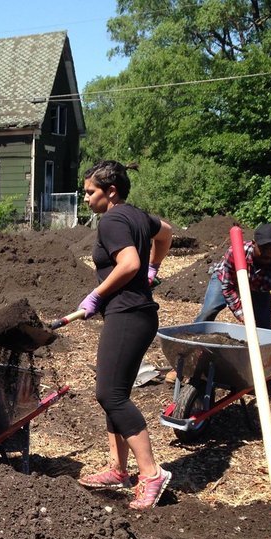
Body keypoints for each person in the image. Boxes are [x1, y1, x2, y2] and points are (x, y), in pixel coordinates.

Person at [76, 161, 174, 510]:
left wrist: (97, 295)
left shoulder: (113, 220)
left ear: (110, 191)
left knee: (110, 394)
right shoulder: (137, 215)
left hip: (127, 314)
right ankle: (118, 469)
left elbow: (129, 263)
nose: (85, 198)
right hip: (138, 314)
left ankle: (150, 474)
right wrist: (154, 268)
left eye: (90, 192)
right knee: (111, 391)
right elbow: (166, 233)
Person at [168, 223, 271, 396]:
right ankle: (182, 365)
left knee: (265, 332)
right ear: (254, 243)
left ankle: (267, 380)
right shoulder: (236, 252)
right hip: (227, 280)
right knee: (208, 312)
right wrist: (243, 314)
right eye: (264, 247)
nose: (269, 252)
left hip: (258, 290)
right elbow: (227, 287)